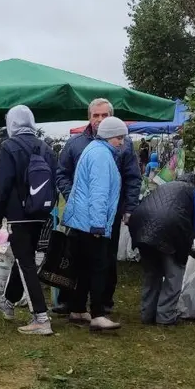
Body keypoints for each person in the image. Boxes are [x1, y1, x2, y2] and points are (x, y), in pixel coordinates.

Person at [54, 98, 142, 316]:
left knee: (106, 259)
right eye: (96, 115)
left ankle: (102, 302)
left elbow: (132, 177)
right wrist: (75, 194)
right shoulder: (76, 144)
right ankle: (75, 303)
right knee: (77, 260)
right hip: (87, 215)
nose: (100, 120)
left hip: (109, 212)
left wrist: (129, 207)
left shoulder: (124, 143)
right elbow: (62, 174)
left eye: (104, 115)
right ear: (89, 117)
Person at [0, 105, 57, 336]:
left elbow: (3, 184)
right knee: (25, 259)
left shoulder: (9, 147)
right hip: (40, 213)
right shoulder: (46, 147)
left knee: (25, 262)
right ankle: (8, 302)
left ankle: (40, 316)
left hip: (18, 216)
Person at [61, 117, 126, 333]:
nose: (122, 143)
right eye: (119, 138)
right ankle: (98, 314)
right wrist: (99, 225)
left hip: (80, 221)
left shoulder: (93, 149)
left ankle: (78, 308)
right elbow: (99, 193)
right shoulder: (102, 155)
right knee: (99, 267)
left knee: (83, 268)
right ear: (109, 136)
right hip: (91, 223)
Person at [128, 173, 195, 326]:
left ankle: (147, 314)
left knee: (152, 273)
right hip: (170, 229)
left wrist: (191, 251)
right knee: (174, 276)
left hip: (140, 226)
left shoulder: (167, 186)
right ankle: (165, 317)